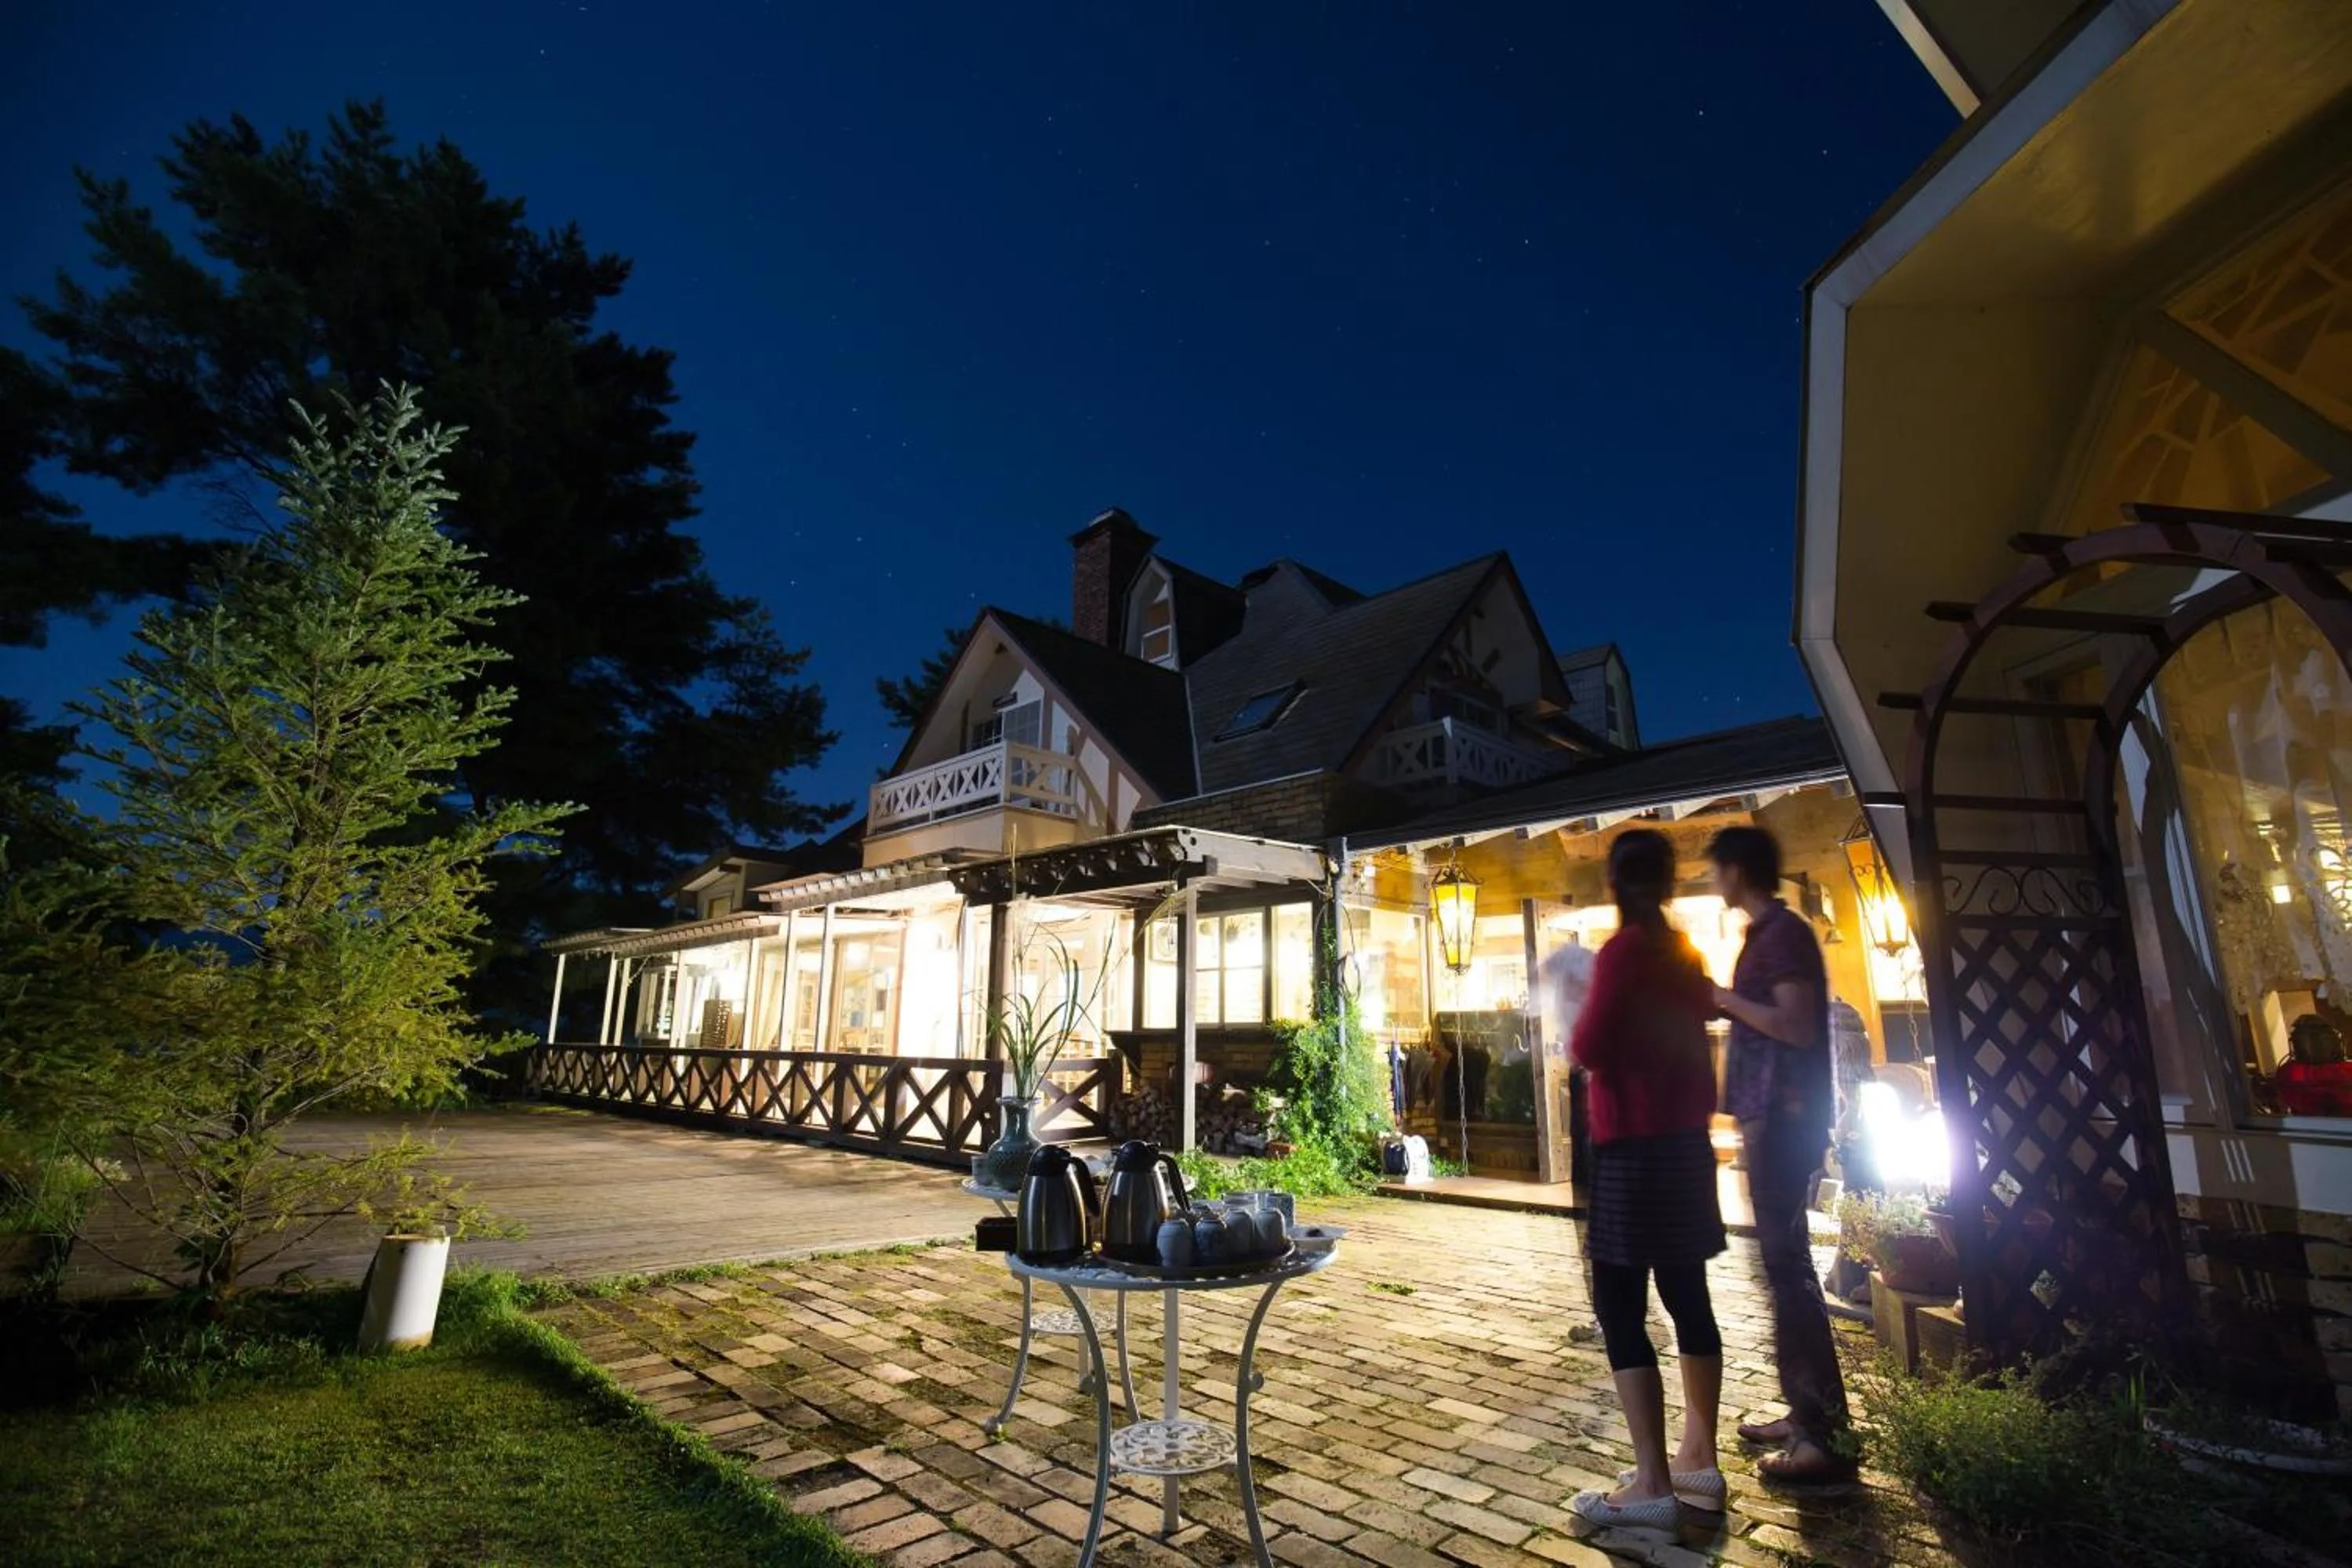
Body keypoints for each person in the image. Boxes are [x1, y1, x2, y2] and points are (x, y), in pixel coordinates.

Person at [1566, 830, 1726, 1530]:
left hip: (1634, 1149)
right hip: (1687, 1146)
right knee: (1689, 1296)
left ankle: (1652, 1482)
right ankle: (1701, 1460)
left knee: (1620, 1307)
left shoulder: (1623, 952)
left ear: (1617, 884)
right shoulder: (1684, 952)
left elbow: (1591, 1044)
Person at [1708, 825, 1853, 1485]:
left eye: (1718, 868)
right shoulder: (1766, 937)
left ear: (1737, 870)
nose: (1714, 879)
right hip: (1770, 1119)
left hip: (1788, 1119)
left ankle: (1820, 1432)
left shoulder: (1785, 935)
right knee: (1782, 1266)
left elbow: (1793, 1024)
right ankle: (1805, 1414)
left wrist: (1721, 998)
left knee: (1788, 1268)